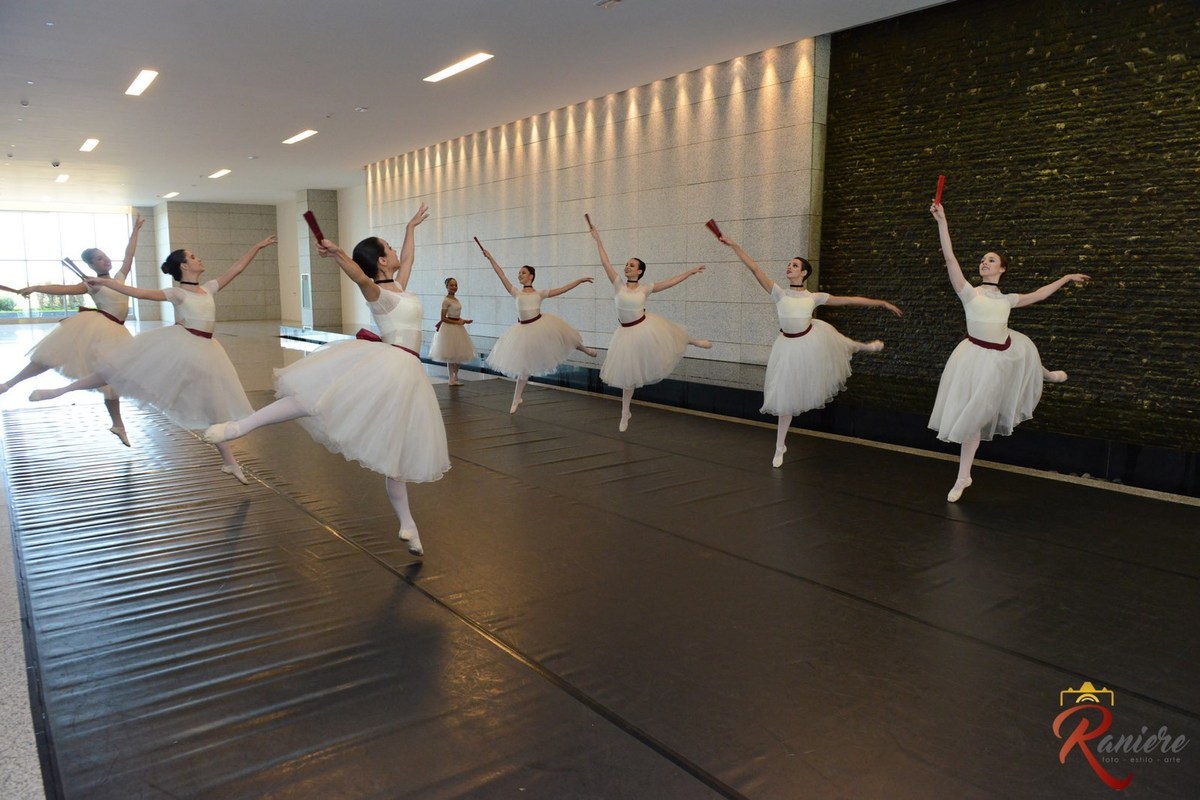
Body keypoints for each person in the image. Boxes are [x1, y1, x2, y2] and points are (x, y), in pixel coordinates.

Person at [204, 205, 449, 556]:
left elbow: (408, 258)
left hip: (407, 371)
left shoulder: (400, 287)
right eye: (390, 248)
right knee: (312, 401)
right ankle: (238, 428)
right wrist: (338, 254)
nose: (396, 252)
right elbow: (359, 277)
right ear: (381, 260)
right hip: (390, 364)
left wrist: (411, 227)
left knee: (395, 445)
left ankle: (408, 524)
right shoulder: (377, 293)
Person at [30, 235, 277, 483]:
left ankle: (230, 463)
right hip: (181, 345)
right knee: (117, 371)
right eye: (192, 256)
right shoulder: (177, 293)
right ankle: (59, 391)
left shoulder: (210, 287)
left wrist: (256, 246)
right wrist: (105, 284)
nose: (198, 258)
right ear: (183, 266)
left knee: (214, 405)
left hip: (207, 349)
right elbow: (138, 292)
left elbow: (237, 269)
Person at [929, 202, 1089, 502]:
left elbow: (1040, 294)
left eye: (991, 260)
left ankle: (1049, 375)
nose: (984, 263)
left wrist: (1066, 278)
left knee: (1024, 353)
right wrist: (942, 221)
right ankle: (964, 476)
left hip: (1003, 351)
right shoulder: (968, 292)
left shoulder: (1008, 299)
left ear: (1002, 268)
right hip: (976, 358)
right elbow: (950, 258)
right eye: (982, 260)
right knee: (973, 420)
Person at [718, 234, 902, 467]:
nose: (789, 267)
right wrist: (734, 244)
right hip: (787, 347)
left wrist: (881, 303)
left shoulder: (814, 297)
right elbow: (754, 268)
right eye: (789, 264)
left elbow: (848, 300)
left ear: (804, 272)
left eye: (794, 265)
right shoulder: (779, 293)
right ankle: (779, 446)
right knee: (786, 398)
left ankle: (864, 346)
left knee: (840, 342)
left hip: (809, 340)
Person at [1, 216, 145, 445]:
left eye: (105, 255)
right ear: (91, 266)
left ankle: (118, 424)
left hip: (118, 331)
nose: (105, 259)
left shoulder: (118, 278)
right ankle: (9, 383)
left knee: (111, 379)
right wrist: (37, 286)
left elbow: (129, 255)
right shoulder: (92, 284)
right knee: (53, 356)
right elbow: (63, 289)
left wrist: (135, 230)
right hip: (101, 329)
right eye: (99, 258)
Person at [587, 216, 711, 431]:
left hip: (643, 326)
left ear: (640, 271)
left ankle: (693, 341)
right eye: (626, 264)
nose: (627, 267)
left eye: (632, 265)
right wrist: (598, 239)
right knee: (628, 376)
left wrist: (689, 272)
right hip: (625, 334)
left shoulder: (646, 288)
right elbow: (605, 262)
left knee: (668, 336)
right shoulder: (618, 284)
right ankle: (625, 412)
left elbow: (670, 282)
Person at [480, 246, 597, 414]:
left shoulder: (540, 293)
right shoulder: (516, 292)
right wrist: (490, 257)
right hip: (523, 331)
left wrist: (578, 281)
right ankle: (516, 398)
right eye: (519, 273)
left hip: (540, 325)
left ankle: (585, 349)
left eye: (523, 272)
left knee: (566, 336)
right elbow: (501, 274)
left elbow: (561, 289)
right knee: (523, 368)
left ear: (531, 276)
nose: (519, 275)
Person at [429, 277, 474, 386]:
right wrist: (458, 322)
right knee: (450, 354)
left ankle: (456, 376)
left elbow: (456, 315)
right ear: (447, 287)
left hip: (458, 327)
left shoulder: (456, 300)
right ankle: (451, 379)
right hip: (449, 328)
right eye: (451, 285)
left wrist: (464, 321)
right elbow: (443, 318)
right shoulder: (446, 301)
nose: (454, 287)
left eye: (455, 285)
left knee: (458, 354)